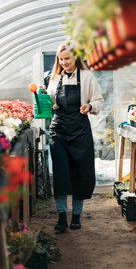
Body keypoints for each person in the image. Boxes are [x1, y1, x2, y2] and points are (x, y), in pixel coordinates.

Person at [46, 43, 104, 231]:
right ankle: (61, 216)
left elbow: (98, 100)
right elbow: (50, 103)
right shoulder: (54, 78)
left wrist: (89, 107)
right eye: (60, 59)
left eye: (67, 58)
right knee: (61, 173)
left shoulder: (87, 77)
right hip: (59, 130)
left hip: (80, 130)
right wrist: (42, 98)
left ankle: (76, 216)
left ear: (76, 57)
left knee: (81, 172)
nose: (63, 62)